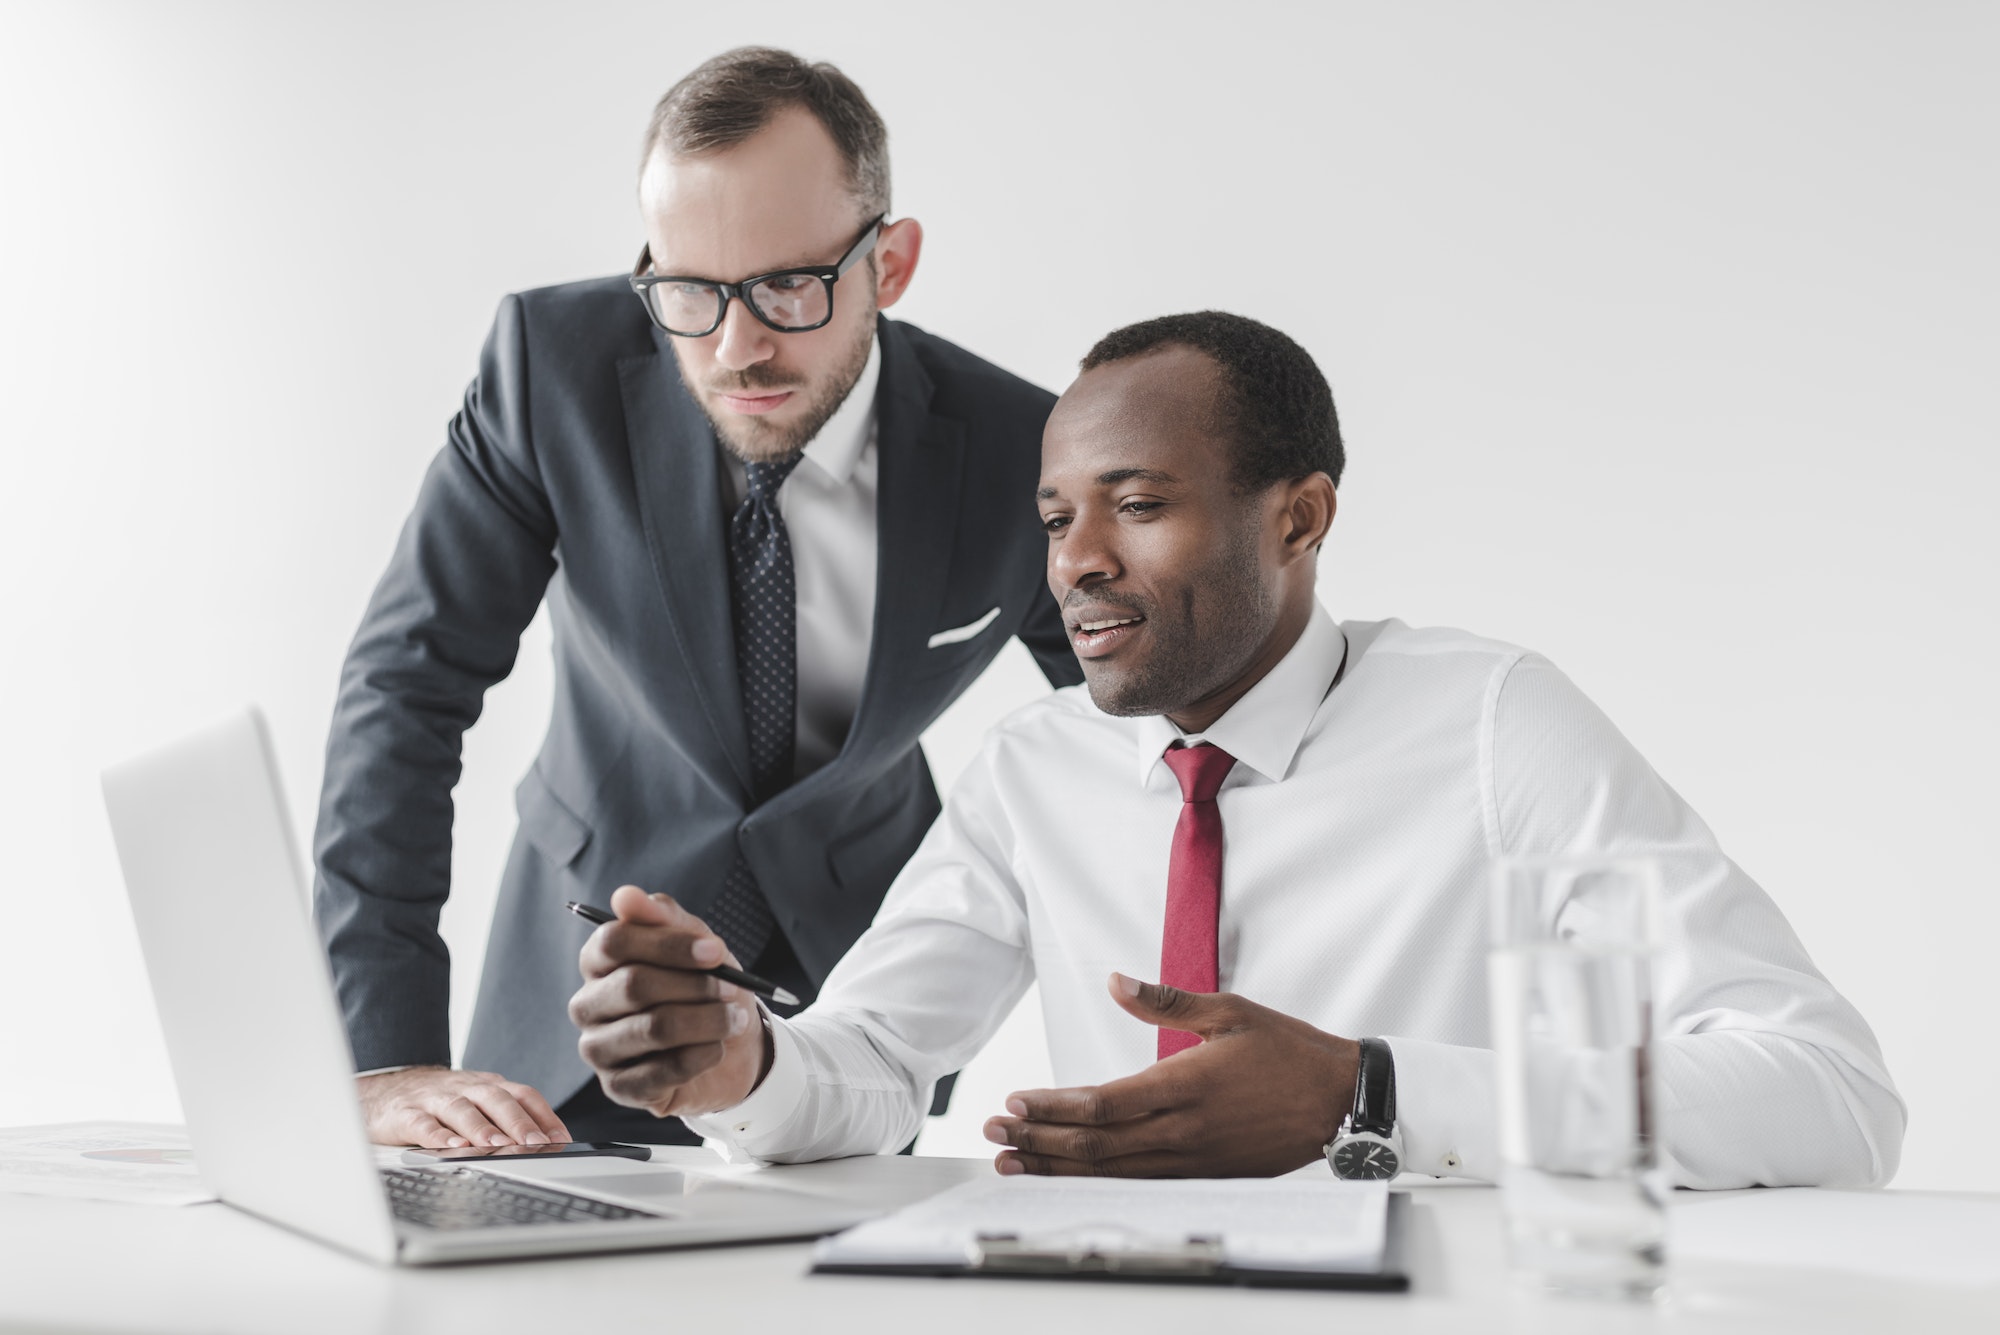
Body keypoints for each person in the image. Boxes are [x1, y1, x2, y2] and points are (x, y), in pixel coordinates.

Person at [566, 311, 1905, 1187]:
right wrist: (738, 1059)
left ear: (1300, 518)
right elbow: (870, 1065)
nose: (1079, 562)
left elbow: (1832, 1099)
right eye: (1055, 517)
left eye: (1139, 505)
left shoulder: (1495, 722)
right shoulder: (1035, 770)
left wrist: (1368, 1090)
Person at [312, 47, 1080, 1150]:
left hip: (850, 1028)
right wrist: (381, 1055)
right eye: (687, 290)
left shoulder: (1023, 450)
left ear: (891, 264)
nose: (735, 347)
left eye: (785, 286)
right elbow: (407, 687)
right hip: (571, 1006)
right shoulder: (549, 372)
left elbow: (1134, 746)